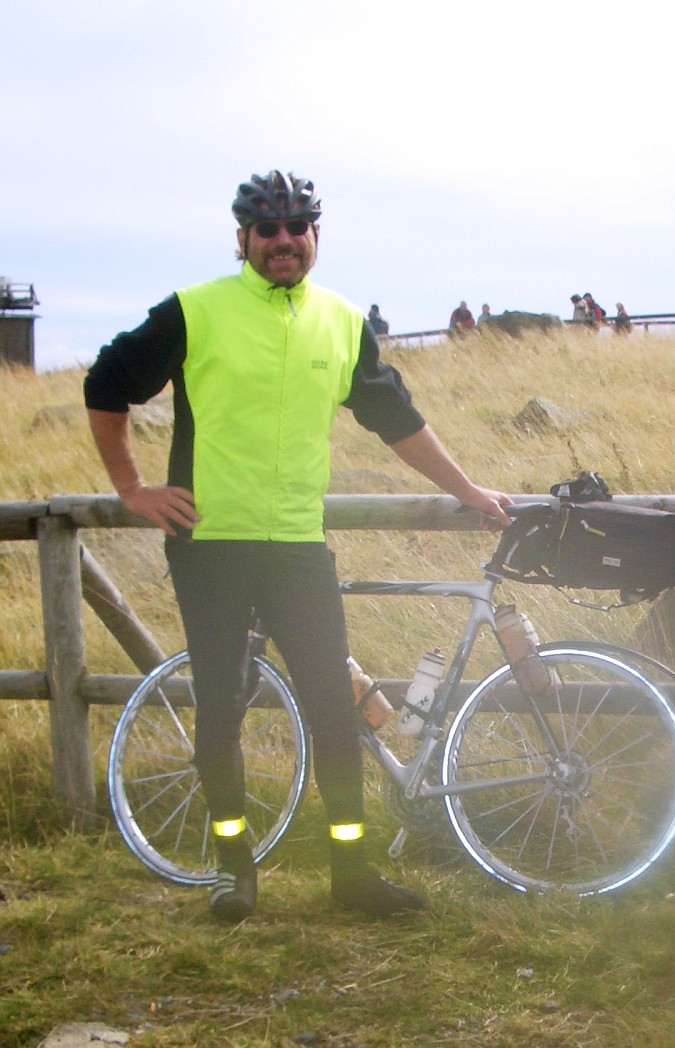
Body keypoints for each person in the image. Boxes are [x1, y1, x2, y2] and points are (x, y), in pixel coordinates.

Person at [84, 170, 513, 923]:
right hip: (210, 545)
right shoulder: (194, 311)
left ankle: (351, 870)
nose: (283, 241)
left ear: (316, 235)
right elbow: (106, 382)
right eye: (268, 230)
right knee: (220, 711)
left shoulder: (344, 323)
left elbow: (397, 421)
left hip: (297, 549)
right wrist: (131, 488)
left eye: (297, 228)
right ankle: (234, 867)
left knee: (331, 707)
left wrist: (469, 490)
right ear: (243, 238)